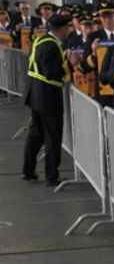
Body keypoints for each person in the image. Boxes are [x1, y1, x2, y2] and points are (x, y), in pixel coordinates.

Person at [22, 13, 72, 186]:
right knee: (52, 137)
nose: (69, 31)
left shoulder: (39, 41)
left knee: (36, 134)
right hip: (47, 98)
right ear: (62, 29)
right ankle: (52, 176)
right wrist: (70, 64)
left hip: (34, 94)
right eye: (68, 28)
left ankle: (28, 171)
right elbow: (51, 73)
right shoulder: (52, 46)